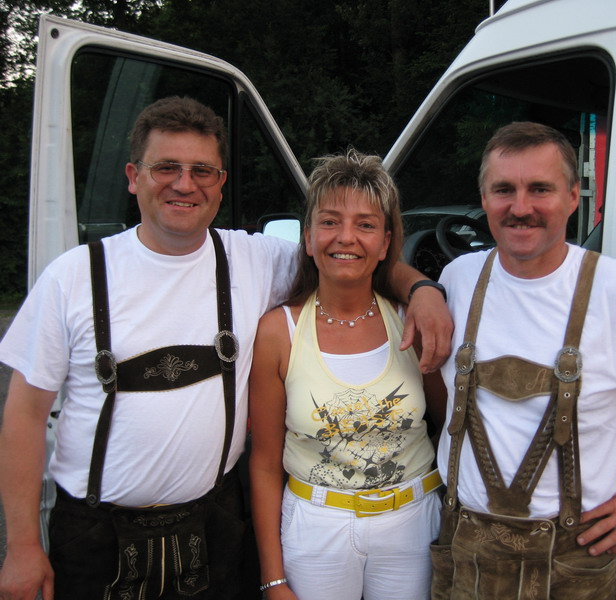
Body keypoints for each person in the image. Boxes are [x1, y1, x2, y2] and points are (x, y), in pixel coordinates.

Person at [0, 97, 452, 600]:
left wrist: (422, 290)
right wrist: (22, 545)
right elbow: (24, 415)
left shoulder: (252, 257)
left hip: (213, 529)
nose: (184, 184)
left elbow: (350, 255)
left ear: (220, 183)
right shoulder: (73, 277)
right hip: (95, 537)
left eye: (202, 171)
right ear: (133, 176)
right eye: (166, 167)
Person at [430, 122, 616, 599]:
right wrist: (417, 289)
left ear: (574, 196)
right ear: (484, 198)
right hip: (464, 553)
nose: (521, 207)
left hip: (572, 567)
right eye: (504, 190)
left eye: (540, 189)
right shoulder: (457, 278)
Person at [249, 148, 447, 600]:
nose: (346, 237)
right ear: (307, 237)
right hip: (315, 528)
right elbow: (264, 464)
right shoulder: (278, 332)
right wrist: (273, 579)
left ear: (385, 242)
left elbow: (449, 425)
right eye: (330, 221)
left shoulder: (413, 323)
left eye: (365, 224)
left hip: (412, 525)